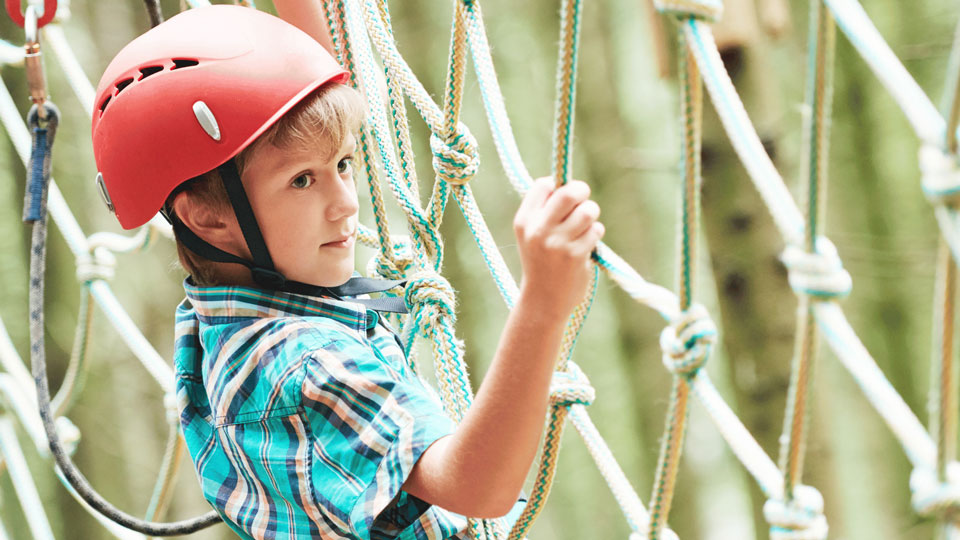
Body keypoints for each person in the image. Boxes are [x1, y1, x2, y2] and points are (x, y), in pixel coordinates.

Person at [91, 4, 604, 539]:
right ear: (207, 215)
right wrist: (542, 307)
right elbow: (478, 487)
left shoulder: (221, 316)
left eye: (342, 165)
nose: (345, 204)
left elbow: (315, 112)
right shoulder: (307, 360)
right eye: (303, 182)